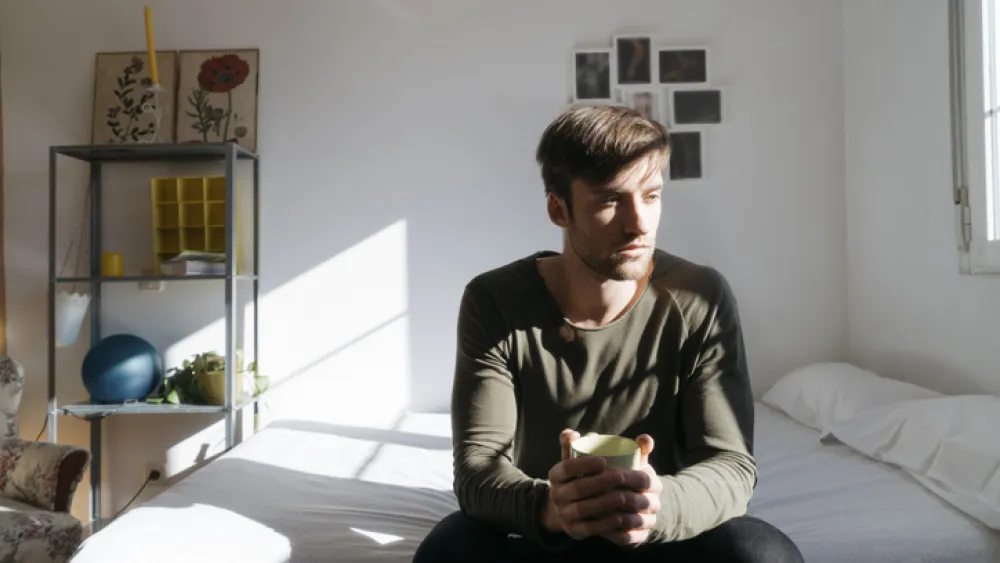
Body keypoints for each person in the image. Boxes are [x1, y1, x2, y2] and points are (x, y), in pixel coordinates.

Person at [413, 105, 803, 563]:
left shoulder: (699, 297)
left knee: (761, 553)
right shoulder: (495, 301)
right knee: (450, 549)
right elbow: (478, 471)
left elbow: (732, 466)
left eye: (651, 196)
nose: (638, 223)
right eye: (609, 200)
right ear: (559, 209)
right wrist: (551, 508)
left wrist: (656, 506)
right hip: (545, 530)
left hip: (663, 534)